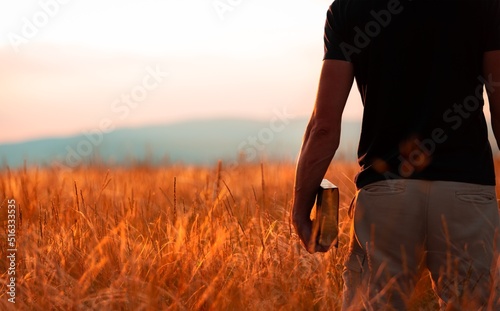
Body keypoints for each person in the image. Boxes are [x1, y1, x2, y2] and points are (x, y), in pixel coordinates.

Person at [292, 0, 500, 309]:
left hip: (386, 194)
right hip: (466, 193)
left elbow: (323, 127)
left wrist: (301, 206)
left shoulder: (349, 9)